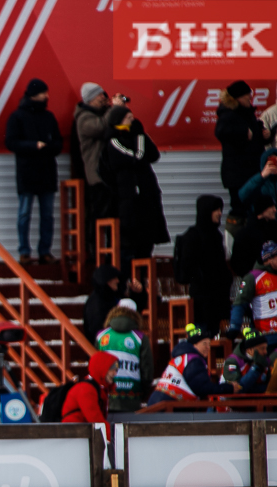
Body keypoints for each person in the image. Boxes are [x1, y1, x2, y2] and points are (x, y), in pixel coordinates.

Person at [98, 105, 169, 271]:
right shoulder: (114, 140)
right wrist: (138, 136)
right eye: (128, 118)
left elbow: (153, 155)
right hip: (127, 201)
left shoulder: (138, 136)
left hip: (146, 198)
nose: (133, 121)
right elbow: (137, 156)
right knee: (128, 246)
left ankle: (143, 283)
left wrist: (140, 134)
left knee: (146, 243)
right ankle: (126, 283)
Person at [4, 78, 63, 265]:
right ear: (34, 94)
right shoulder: (17, 116)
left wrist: (47, 147)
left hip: (46, 171)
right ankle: (24, 251)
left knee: (47, 215)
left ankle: (45, 251)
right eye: (43, 93)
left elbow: (59, 143)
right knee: (24, 213)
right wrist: (33, 146)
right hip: (27, 172)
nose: (47, 96)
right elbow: (10, 142)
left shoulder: (49, 116)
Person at [73, 83, 124, 258]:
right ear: (91, 99)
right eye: (100, 95)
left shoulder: (103, 113)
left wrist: (119, 110)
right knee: (98, 216)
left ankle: (112, 251)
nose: (104, 97)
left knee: (114, 216)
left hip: (111, 175)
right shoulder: (83, 118)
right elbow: (101, 127)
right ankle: (95, 251)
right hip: (97, 176)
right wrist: (114, 110)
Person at [215, 80, 270, 234]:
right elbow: (221, 132)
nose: (250, 99)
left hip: (252, 171)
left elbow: (255, 135)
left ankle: (253, 239)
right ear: (238, 97)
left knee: (255, 206)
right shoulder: (228, 114)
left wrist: (264, 134)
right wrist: (242, 134)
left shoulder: (248, 114)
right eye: (247, 96)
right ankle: (234, 239)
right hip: (237, 174)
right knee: (239, 207)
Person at [180, 194, 232, 337]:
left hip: (216, 302)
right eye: (216, 209)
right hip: (201, 302)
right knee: (200, 339)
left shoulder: (216, 236)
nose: (220, 213)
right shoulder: (193, 236)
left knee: (214, 339)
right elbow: (187, 267)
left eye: (220, 209)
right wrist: (202, 277)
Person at [147, 324, 238, 405]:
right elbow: (202, 388)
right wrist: (229, 388)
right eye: (204, 344)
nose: (208, 347)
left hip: (160, 403)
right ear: (194, 344)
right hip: (166, 408)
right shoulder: (193, 360)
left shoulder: (183, 357)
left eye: (209, 344)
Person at [230, 240, 277, 349]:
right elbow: (240, 303)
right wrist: (234, 327)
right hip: (267, 340)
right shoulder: (254, 278)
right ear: (269, 259)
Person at [95, 300, 153, 412]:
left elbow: (94, 366)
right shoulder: (140, 338)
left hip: (106, 397)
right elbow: (147, 368)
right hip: (132, 397)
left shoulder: (102, 336)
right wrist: (143, 393)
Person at [231, 195, 277, 278]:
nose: (275, 210)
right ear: (262, 209)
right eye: (271, 207)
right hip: (256, 282)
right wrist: (253, 277)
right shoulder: (245, 235)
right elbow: (238, 263)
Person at [239, 148, 277, 238]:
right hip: (266, 232)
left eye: (276, 161)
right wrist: (261, 176)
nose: (274, 165)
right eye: (270, 162)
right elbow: (243, 195)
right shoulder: (261, 181)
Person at [82, 264, 144, 342]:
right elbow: (98, 331)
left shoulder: (113, 296)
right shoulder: (96, 303)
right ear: (106, 280)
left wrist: (137, 294)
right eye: (114, 278)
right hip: (105, 346)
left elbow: (133, 314)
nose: (117, 281)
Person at [61, 351, 118, 431]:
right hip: (73, 436)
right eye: (112, 369)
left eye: (116, 369)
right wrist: (116, 439)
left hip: (82, 434)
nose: (115, 373)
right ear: (101, 367)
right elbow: (96, 420)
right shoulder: (86, 389)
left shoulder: (99, 389)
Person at [222, 327, 272, 394]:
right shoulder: (232, 362)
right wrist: (256, 367)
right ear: (250, 350)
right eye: (262, 348)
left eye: (266, 348)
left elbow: (271, 387)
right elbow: (238, 389)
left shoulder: (266, 360)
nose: (265, 352)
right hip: (234, 403)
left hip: (259, 402)